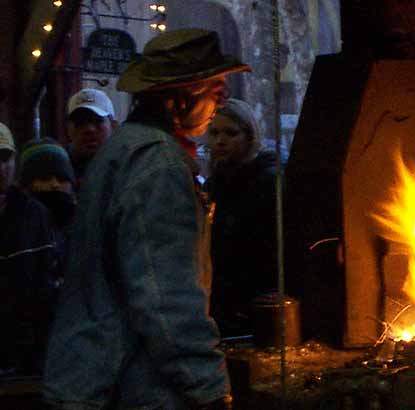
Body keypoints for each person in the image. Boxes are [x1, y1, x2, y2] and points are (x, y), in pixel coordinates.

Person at [43, 29, 250, 410]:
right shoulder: (159, 165)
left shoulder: (125, 149)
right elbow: (164, 294)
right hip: (130, 386)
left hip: (95, 377)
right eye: (211, 88)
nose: (219, 100)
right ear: (178, 96)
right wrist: (208, 387)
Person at [205, 98, 278, 336]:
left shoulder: (269, 181)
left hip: (259, 301)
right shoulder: (215, 182)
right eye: (214, 132)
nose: (221, 141)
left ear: (249, 136)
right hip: (222, 300)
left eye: (230, 133)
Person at [0, 124, 61, 375]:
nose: (1, 169)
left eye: (5, 158)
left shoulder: (34, 214)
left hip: (27, 360)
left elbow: (46, 288)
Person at [18, 137, 77, 274]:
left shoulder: (86, 226)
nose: (55, 184)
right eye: (45, 178)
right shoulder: (16, 230)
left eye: (62, 178)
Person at [66, 88, 117, 191]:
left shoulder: (128, 167)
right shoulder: (59, 170)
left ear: (113, 126)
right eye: (80, 122)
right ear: (68, 129)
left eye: (97, 121)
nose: (89, 129)